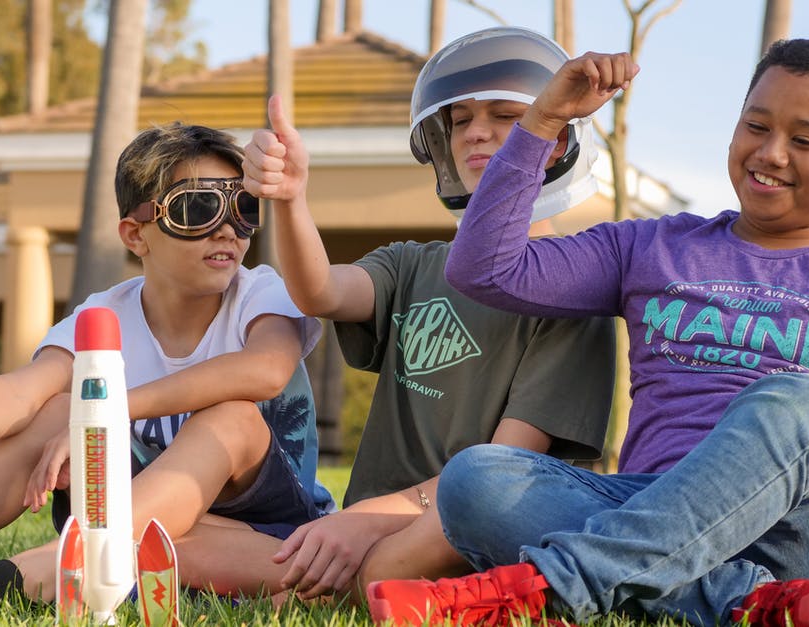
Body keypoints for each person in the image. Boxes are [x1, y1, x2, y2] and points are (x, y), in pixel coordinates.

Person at [366, 38, 809, 627]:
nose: (771, 153)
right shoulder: (653, 246)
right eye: (756, 127)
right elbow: (485, 269)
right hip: (652, 510)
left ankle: (554, 585)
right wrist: (543, 119)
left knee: (802, 398)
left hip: (795, 543)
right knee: (477, 478)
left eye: (805, 140)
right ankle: (749, 605)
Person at [0, 122, 334, 610]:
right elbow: (18, 394)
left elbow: (265, 371)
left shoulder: (261, 293)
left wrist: (111, 410)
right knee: (55, 412)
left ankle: (47, 570)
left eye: (243, 210)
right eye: (197, 209)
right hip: (157, 538)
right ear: (134, 234)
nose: (227, 231)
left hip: (276, 543)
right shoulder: (107, 314)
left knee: (231, 418)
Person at [163, 26, 616, 604]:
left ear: (553, 143)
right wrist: (291, 198)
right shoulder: (413, 263)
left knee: (250, 559)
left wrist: (365, 521)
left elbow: (501, 472)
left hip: (455, 530)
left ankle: (310, 585)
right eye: (458, 121)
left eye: (504, 116)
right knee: (184, 534)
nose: (475, 132)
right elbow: (320, 292)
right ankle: (310, 580)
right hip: (362, 523)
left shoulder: (571, 293)